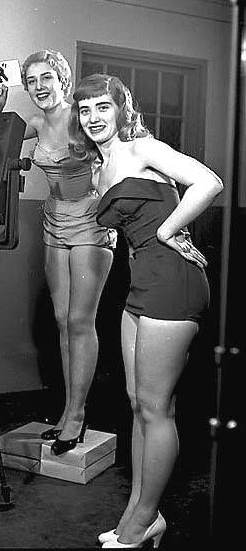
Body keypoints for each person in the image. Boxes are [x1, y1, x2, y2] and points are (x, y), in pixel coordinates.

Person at [68, 73, 223, 548]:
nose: (93, 117)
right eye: (85, 109)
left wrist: (166, 230)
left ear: (122, 110)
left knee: (156, 408)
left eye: (103, 107)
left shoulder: (142, 148)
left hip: (173, 282)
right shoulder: (99, 170)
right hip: (140, 285)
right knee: (138, 404)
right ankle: (138, 513)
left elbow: (209, 182)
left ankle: (143, 522)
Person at [0, 50, 114, 455]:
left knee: (80, 320)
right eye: (31, 81)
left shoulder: (83, 118)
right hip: (53, 222)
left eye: (46, 77)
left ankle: (77, 414)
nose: (39, 86)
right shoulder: (36, 123)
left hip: (91, 222)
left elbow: (122, 153)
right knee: (62, 320)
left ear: (63, 79)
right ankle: (67, 411)